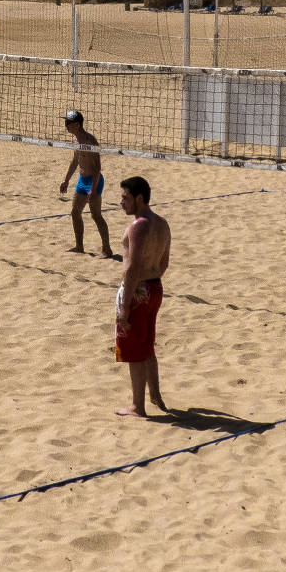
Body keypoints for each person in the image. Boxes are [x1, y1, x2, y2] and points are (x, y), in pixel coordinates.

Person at [114, 176, 169, 418]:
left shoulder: (139, 227)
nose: (121, 202)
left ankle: (138, 406)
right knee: (147, 344)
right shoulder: (162, 224)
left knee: (135, 349)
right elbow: (164, 263)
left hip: (139, 290)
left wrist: (125, 305)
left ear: (139, 198)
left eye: (125, 198)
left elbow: (133, 268)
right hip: (156, 288)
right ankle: (155, 395)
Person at [58, 110, 115, 258]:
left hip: (94, 180)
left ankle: (107, 250)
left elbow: (97, 167)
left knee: (96, 215)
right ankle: (79, 246)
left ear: (77, 125)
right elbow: (76, 160)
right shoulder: (75, 140)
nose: (66, 126)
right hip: (82, 181)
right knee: (75, 212)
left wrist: (93, 188)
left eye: (68, 123)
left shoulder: (90, 141)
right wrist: (66, 180)